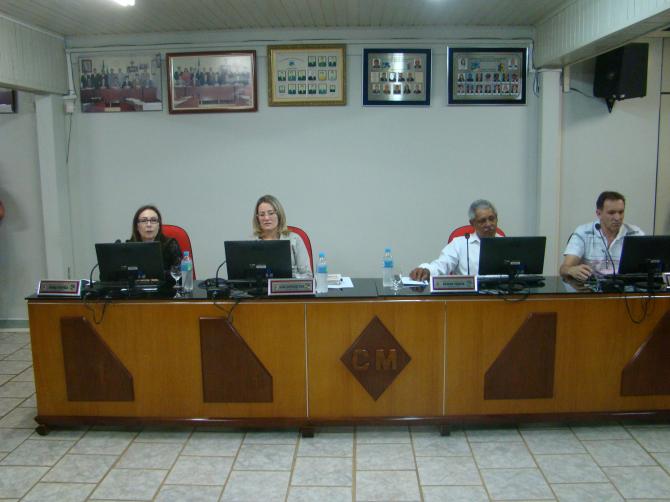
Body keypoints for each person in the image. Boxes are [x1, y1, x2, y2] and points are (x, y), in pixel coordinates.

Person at [560, 191, 644, 281]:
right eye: (611, 213)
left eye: (621, 212)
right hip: (591, 286)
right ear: (599, 213)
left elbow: (647, 269)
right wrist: (571, 270)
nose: (617, 218)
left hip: (624, 286)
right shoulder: (583, 232)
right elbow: (564, 268)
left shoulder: (636, 233)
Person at [409, 199, 500, 281]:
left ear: (497, 218)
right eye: (482, 221)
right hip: (469, 293)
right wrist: (426, 271)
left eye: (491, 219)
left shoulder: (505, 244)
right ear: (472, 223)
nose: (488, 224)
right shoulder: (459, 244)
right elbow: (441, 265)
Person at [253, 194, 312, 277]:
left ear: (279, 215)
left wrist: (290, 277)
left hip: (290, 284)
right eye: (262, 214)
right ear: (257, 218)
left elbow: (308, 275)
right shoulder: (252, 243)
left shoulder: (295, 240)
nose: (266, 218)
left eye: (271, 213)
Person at [128, 205, 182, 280]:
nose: (149, 225)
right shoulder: (129, 247)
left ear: (159, 225)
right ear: (137, 226)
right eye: (144, 221)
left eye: (153, 220)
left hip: (165, 287)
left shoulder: (170, 245)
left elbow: (180, 274)